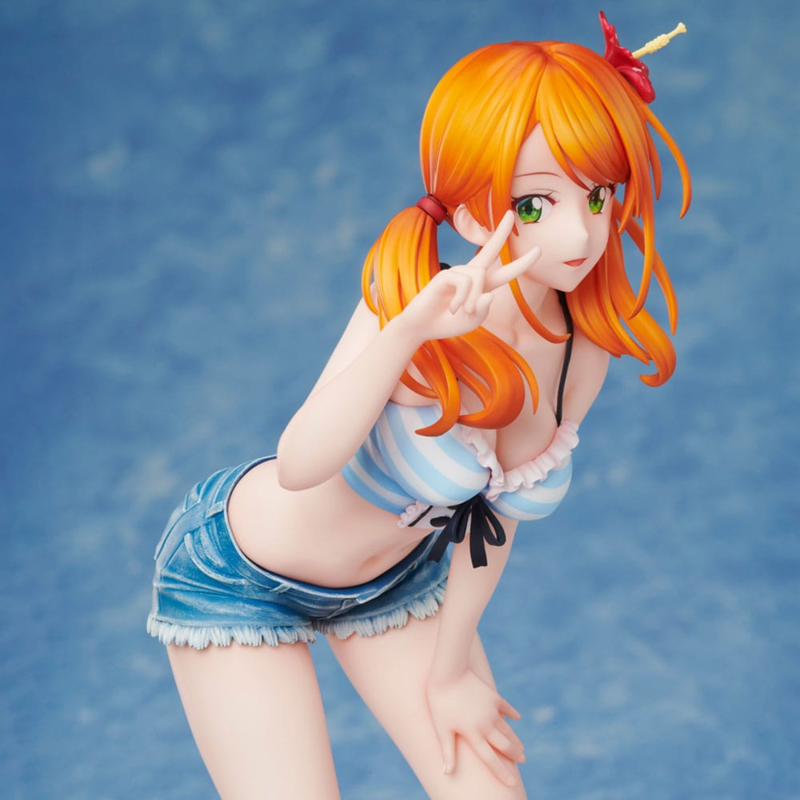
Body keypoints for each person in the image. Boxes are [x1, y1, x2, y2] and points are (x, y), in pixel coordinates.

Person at [148, 15, 690, 799]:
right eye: (534, 204)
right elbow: (299, 463)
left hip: (398, 586)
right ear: (471, 214)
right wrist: (407, 333)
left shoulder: (583, 353)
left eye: (599, 195)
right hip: (239, 573)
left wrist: (450, 669)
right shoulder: (416, 300)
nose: (580, 233)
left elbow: (494, 518)